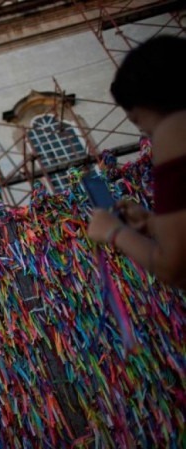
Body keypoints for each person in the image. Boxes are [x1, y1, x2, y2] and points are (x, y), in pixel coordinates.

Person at [87, 35, 186, 289]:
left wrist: (114, 232)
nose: (145, 133)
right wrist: (152, 223)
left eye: (136, 120)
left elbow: (177, 269)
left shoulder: (175, 127)